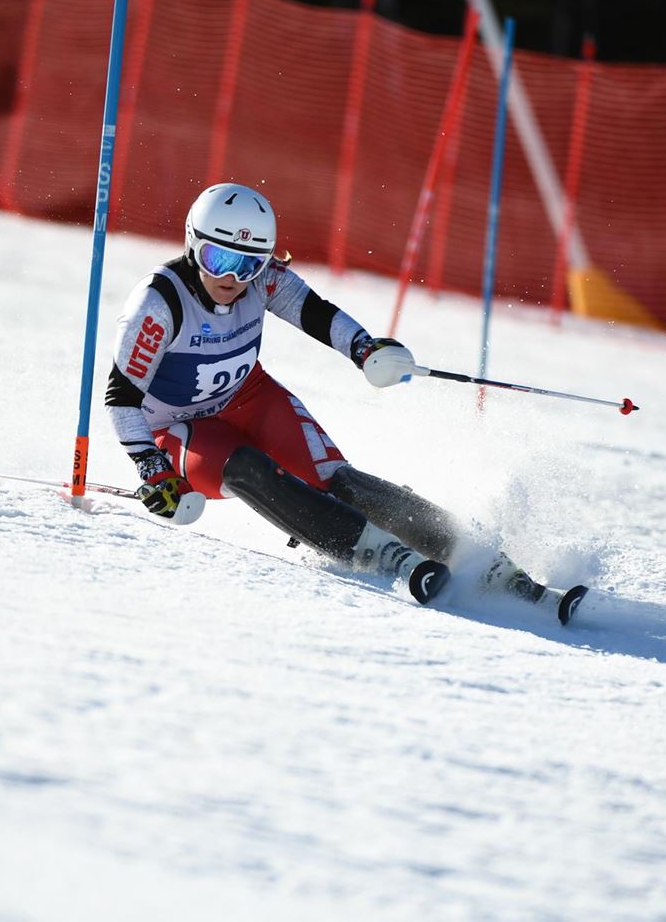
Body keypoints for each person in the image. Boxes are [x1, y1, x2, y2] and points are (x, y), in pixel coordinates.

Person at [104, 182, 561, 610]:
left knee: (338, 479)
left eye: (248, 263)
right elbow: (122, 397)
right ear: (191, 242)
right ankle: (381, 553)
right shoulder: (159, 303)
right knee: (248, 467)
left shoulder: (263, 280)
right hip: (177, 428)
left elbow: (315, 313)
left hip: (249, 398)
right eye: (216, 258)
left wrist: (365, 349)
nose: (232, 277)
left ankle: (474, 554)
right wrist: (151, 467)